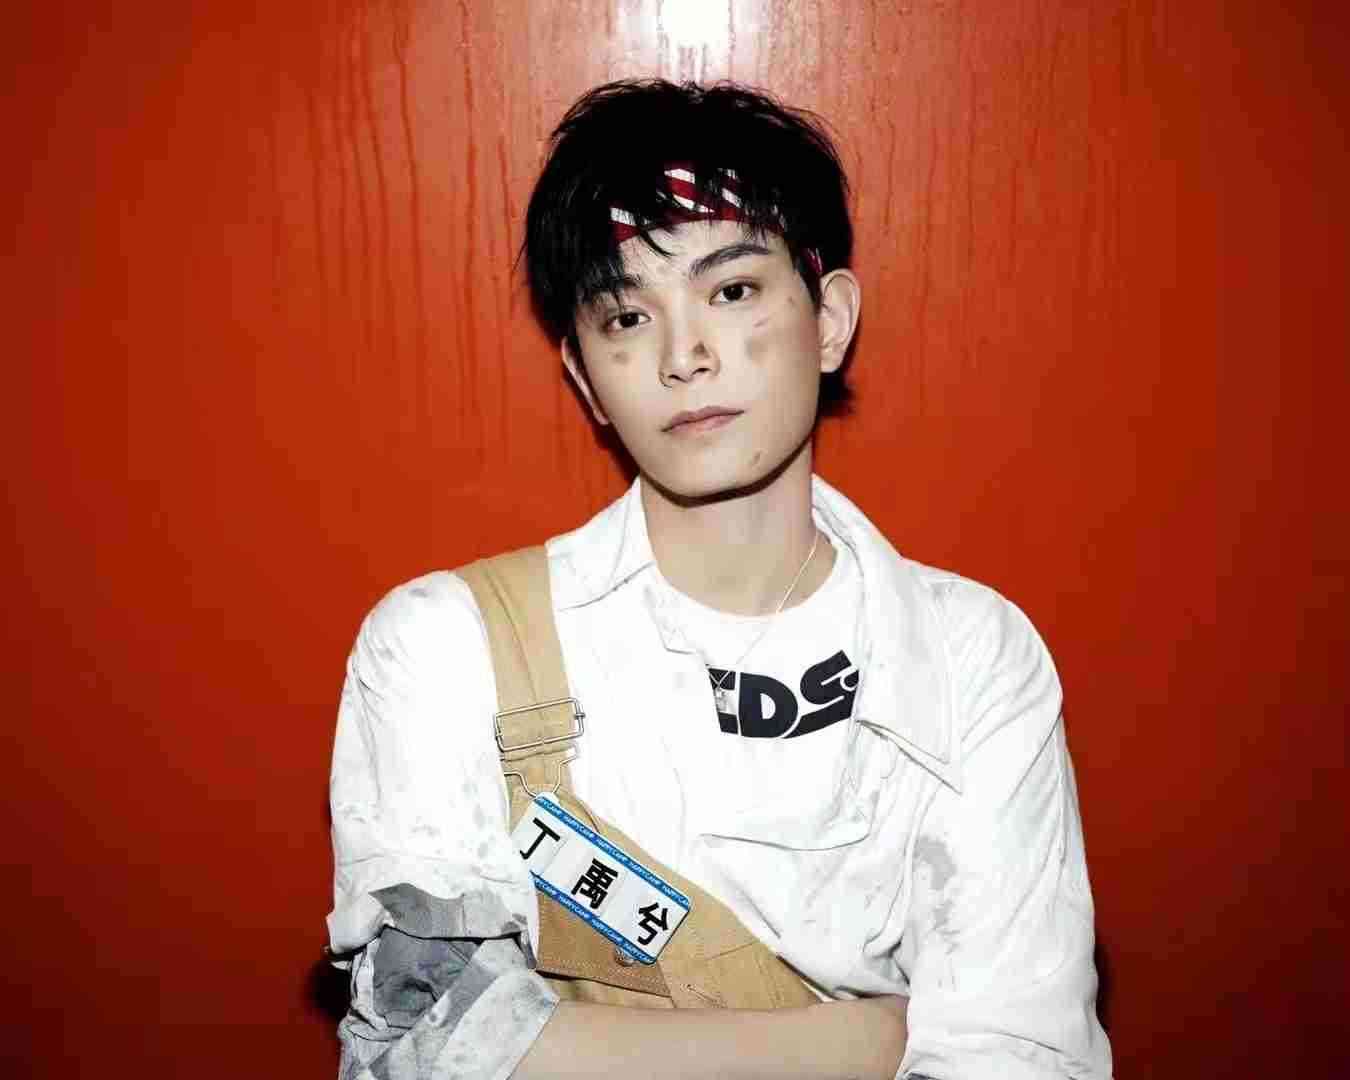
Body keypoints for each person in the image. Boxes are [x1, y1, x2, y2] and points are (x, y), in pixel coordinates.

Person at [326, 79, 1112, 1080]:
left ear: (829, 321)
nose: (684, 356)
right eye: (627, 316)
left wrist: (550, 1044)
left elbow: (1020, 1060)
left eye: (732, 292)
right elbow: (416, 1042)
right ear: (585, 376)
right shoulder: (448, 645)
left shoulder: (973, 656)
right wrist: (871, 1038)